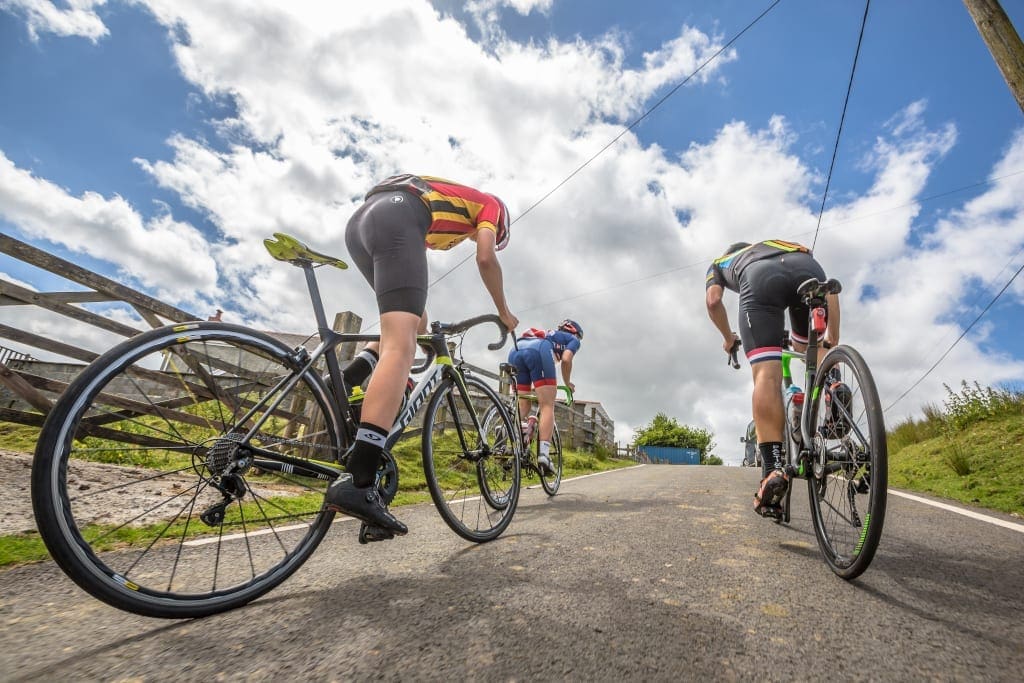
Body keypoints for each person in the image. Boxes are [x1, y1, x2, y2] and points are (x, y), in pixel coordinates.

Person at [325, 174, 519, 538]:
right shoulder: (488, 205)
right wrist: (504, 311)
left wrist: (426, 333)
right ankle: (360, 479)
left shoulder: (447, 220)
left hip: (362, 223)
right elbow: (486, 257)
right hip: (399, 215)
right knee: (402, 345)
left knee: (411, 323)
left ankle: (349, 379)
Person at [704, 240, 840, 517]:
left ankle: (773, 469)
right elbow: (830, 287)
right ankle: (834, 384)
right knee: (809, 349)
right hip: (807, 267)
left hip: (759, 281)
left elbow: (713, 301)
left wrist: (729, 339)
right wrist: (832, 339)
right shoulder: (786, 244)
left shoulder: (722, 262)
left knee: (767, 373)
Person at [507, 319, 583, 474]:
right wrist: (567, 383)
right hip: (539, 350)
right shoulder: (573, 339)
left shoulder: (550, 335)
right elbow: (567, 359)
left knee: (523, 405)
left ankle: (504, 433)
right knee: (547, 405)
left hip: (516, 348)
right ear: (575, 333)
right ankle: (544, 455)